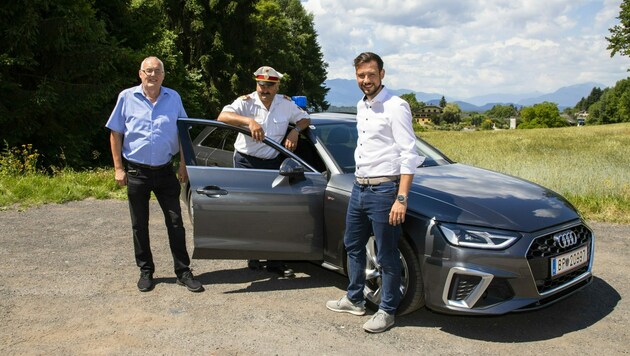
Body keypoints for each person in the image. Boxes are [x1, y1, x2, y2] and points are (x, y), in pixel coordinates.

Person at [326, 52, 423, 333]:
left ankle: (387, 311)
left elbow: (409, 154)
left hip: (384, 191)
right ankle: (355, 299)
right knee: (353, 245)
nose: (366, 80)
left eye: (371, 74)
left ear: (382, 74)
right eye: (361, 75)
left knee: (387, 254)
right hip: (359, 187)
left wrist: (401, 198)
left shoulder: (396, 106)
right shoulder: (362, 105)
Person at [106, 56, 203, 293]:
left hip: (165, 171)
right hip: (136, 172)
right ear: (140, 74)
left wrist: (183, 164)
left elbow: (182, 131)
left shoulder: (173, 97)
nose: (152, 75)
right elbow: (115, 133)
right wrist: (118, 168)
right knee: (139, 225)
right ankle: (146, 271)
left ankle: (183, 271)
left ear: (163, 75)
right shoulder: (126, 97)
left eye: (157, 71)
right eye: (148, 70)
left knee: (176, 222)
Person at [217, 65, 311, 278]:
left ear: (277, 86)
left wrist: (296, 131)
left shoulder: (285, 104)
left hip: (271, 163)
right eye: (261, 85)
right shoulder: (245, 102)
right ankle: (253, 255)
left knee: (273, 212)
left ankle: (275, 262)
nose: (264, 89)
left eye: (269, 86)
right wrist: (248, 121)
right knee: (250, 210)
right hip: (246, 162)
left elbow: (306, 118)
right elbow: (222, 117)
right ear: (256, 84)